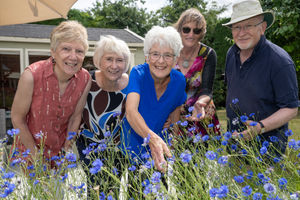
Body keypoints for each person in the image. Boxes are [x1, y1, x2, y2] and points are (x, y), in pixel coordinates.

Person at [223, 0, 298, 156]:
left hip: (266, 151)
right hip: (234, 145)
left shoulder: (279, 61)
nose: (241, 33)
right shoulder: (231, 53)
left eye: (248, 25)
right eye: (237, 27)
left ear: (262, 28)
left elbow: (291, 109)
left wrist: (260, 127)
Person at [11, 20, 91, 166]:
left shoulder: (85, 78)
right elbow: (17, 118)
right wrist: (36, 158)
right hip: (28, 155)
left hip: (58, 158)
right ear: (53, 52)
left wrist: (66, 151)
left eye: (79, 51)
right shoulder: (32, 75)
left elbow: (75, 118)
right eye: (66, 49)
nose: (73, 57)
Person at [119, 26, 187, 172]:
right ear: (147, 56)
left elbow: (176, 106)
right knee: (136, 191)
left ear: (175, 60)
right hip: (133, 143)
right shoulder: (138, 73)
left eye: (168, 55)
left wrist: (173, 138)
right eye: (155, 54)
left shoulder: (180, 80)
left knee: (160, 190)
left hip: (161, 146)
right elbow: (131, 111)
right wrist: (153, 140)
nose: (161, 61)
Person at [75, 35, 131, 198]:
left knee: (113, 186)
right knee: (95, 188)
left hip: (119, 147)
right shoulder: (86, 79)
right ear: (99, 61)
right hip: (89, 145)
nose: (114, 66)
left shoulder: (132, 82)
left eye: (120, 60)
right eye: (109, 59)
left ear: (125, 63)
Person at [173, 8, 220, 138]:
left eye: (197, 30)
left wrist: (200, 103)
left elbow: (207, 90)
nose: (191, 34)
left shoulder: (208, 54)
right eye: (186, 29)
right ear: (180, 30)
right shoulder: (169, 52)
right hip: (172, 116)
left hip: (200, 115)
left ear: (202, 33)